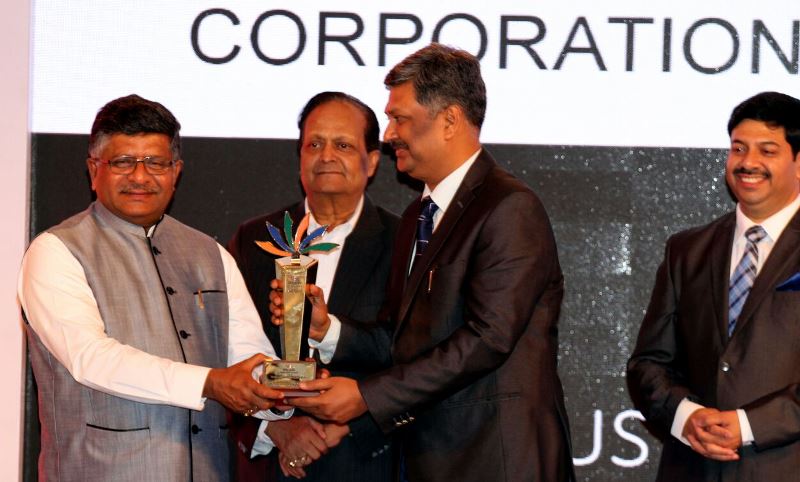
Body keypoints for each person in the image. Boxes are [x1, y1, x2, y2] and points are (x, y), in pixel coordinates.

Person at [271, 43, 575, 481]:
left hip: (495, 461)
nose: (389, 134)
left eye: (400, 118)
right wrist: (327, 329)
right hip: (428, 460)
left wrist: (367, 396)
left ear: (449, 120)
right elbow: (404, 340)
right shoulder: (419, 214)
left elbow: (487, 338)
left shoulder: (509, 207)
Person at [18, 94, 288, 482]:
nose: (140, 176)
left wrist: (284, 389)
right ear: (94, 170)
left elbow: (249, 356)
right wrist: (209, 383)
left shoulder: (210, 254)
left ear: (176, 171)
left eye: (155, 163)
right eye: (123, 162)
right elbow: (91, 358)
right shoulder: (56, 251)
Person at [627, 91, 800, 481]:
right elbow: (649, 363)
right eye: (738, 148)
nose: (748, 162)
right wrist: (687, 417)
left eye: (767, 151)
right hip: (693, 468)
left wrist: (749, 425)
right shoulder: (687, 250)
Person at [228, 92, 398, 480]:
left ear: (372, 161)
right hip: (271, 464)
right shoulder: (255, 239)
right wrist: (273, 427)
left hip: (366, 462)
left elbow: (416, 357)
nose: (326, 156)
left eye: (343, 145)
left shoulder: (403, 242)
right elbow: (223, 346)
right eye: (314, 144)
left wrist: (348, 424)